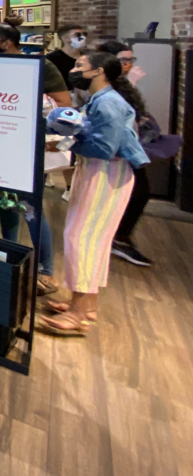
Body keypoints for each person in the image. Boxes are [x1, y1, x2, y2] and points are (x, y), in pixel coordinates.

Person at [40, 52, 149, 337]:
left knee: (81, 238)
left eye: (80, 66)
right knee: (90, 238)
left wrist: (67, 143)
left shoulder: (108, 103)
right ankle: (84, 304)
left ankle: (79, 312)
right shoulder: (101, 99)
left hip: (104, 174)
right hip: (97, 171)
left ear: (98, 71)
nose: (75, 69)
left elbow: (104, 148)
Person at [0, 22, 70, 294]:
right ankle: (10, 258)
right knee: (5, 204)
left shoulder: (41, 66)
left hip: (29, 146)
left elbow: (64, 105)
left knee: (31, 208)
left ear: (7, 43)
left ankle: (46, 271)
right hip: (0, 142)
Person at [98, 40, 156, 267]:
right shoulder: (104, 86)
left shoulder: (121, 84)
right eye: (123, 60)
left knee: (138, 193)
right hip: (115, 151)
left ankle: (117, 237)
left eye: (131, 60)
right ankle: (116, 238)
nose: (128, 65)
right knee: (137, 193)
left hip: (127, 148)